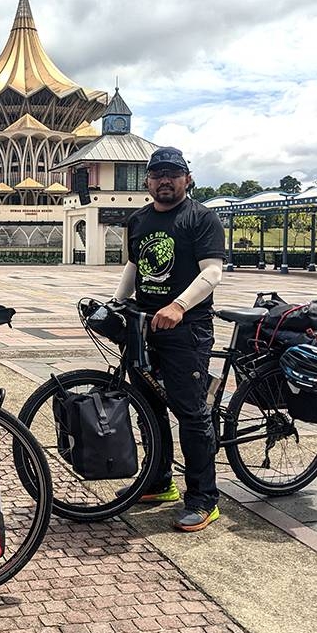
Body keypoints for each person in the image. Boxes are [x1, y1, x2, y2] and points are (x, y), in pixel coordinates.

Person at [113, 146, 225, 532]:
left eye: (173, 174)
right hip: (144, 325)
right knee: (147, 408)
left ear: (187, 179)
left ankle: (204, 498)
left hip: (187, 328)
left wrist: (178, 305)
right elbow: (133, 265)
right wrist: (115, 303)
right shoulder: (139, 219)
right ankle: (160, 483)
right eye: (158, 174)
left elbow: (212, 273)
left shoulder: (201, 218)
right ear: (147, 181)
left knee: (192, 413)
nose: (165, 180)